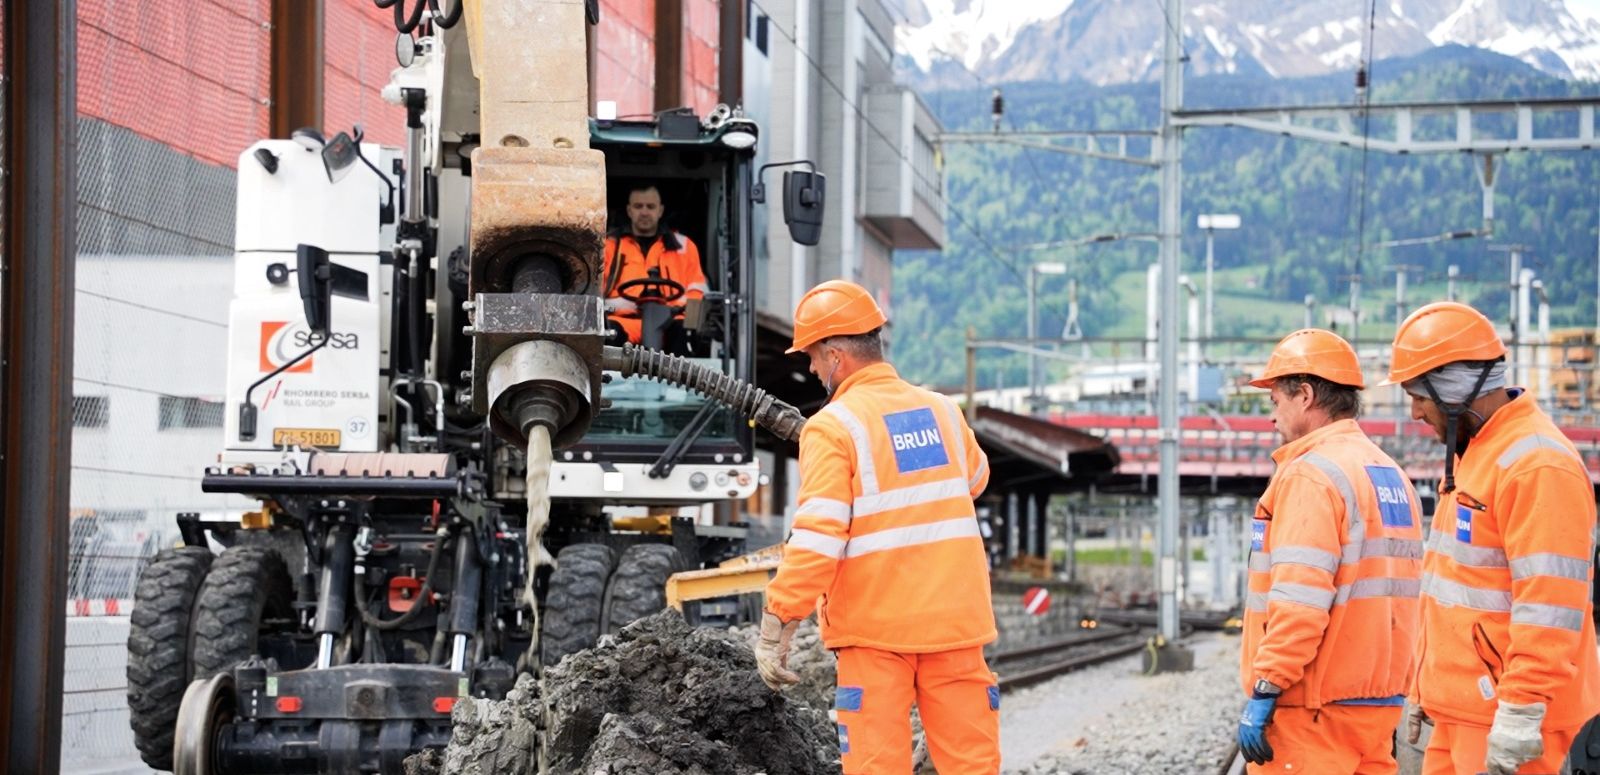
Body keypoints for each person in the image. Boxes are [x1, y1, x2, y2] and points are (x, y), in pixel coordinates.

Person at [755, 280, 1000, 774]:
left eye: (813, 356)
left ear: (837, 353)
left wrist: (778, 621)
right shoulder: (943, 411)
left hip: (877, 633)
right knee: (972, 765)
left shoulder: (833, 426)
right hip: (955, 625)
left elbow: (818, 540)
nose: (811, 366)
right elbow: (975, 479)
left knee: (877, 767)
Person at [1385, 302, 1600, 775]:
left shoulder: (1537, 464)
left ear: (1455, 387)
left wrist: (1521, 710)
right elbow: (1455, 587)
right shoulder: (1477, 453)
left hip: (1522, 727)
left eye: (1419, 395)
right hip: (1464, 717)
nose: (1416, 412)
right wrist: (1426, 686)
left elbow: (1548, 603)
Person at [1236, 328, 1425, 773]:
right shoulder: (1389, 473)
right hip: (1376, 707)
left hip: (1313, 712)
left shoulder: (1311, 475)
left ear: (1303, 395)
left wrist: (1267, 687)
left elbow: (1300, 600)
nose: (1272, 416)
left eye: (1275, 401)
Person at [600, 184, 709, 348]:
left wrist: (667, 307)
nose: (644, 212)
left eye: (650, 207)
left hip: (670, 321)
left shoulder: (685, 247)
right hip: (625, 321)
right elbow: (594, 297)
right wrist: (619, 305)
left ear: (660, 211)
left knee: (684, 333)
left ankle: (680, 374)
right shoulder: (608, 247)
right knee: (606, 333)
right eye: (638, 206)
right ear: (629, 211)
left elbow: (697, 294)